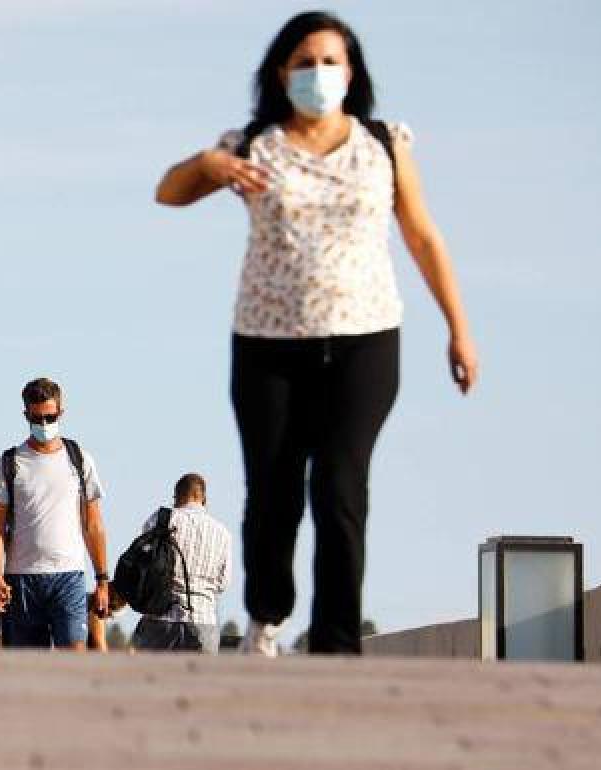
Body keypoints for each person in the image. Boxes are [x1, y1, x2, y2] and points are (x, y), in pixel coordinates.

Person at [154, 11, 478, 656]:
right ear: (281, 73)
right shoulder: (252, 144)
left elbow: (422, 235)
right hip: (268, 343)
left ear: (352, 72)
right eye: (304, 61)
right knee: (272, 488)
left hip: (365, 338)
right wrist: (209, 163)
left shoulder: (383, 143)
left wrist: (458, 329)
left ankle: (336, 642)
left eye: (331, 61)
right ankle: (267, 614)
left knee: (339, 484)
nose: (318, 73)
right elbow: (169, 192)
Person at [0, 377, 110, 650]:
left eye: (50, 417)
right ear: (26, 415)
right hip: (21, 578)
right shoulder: (9, 463)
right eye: (37, 418)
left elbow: (94, 524)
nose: (44, 425)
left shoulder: (79, 459)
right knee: (27, 670)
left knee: (75, 662)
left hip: (69, 576)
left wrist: (102, 580)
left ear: (61, 413)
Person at [130, 474, 232, 654]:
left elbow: (141, 565)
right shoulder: (223, 533)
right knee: (202, 682)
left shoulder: (159, 520)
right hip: (203, 621)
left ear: (176, 496)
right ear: (204, 499)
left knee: (152, 680)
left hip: (159, 619)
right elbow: (223, 583)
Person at [86, 583, 127, 653]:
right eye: (109, 615)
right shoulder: (96, 615)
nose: (106, 618)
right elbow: (101, 649)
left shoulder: (77, 596)